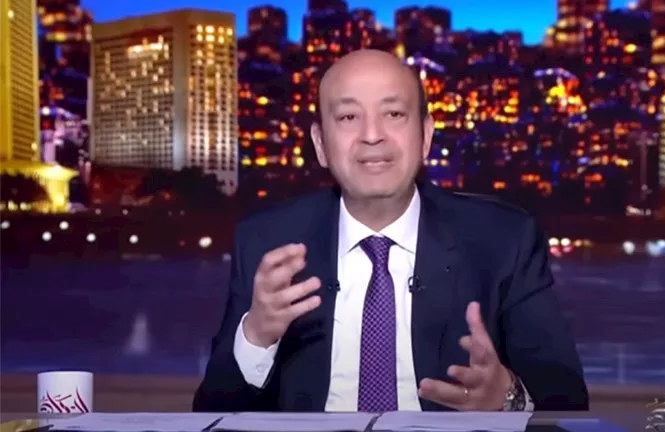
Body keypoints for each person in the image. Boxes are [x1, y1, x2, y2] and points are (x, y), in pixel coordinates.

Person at [193, 49, 588, 413]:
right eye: (348, 117)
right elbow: (209, 413)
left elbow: (568, 402)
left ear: (426, 136)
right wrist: (256, 338)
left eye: (394, 114)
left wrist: (510, 397)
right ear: (320, 144)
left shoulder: (505, 240)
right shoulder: (266, 243)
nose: (372, 135)